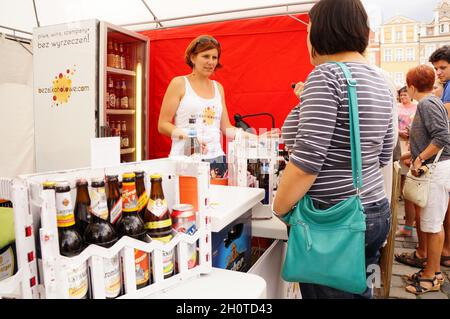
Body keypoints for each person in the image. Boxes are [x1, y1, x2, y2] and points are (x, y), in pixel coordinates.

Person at [273, 0, 394, 299]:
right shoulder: (382, 79)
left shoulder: (327, 76)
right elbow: (384, 153)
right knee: (358, 291)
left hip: (333, 219)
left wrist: (280, 208)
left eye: (309, 28)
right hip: (375, 210)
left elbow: (305, 163)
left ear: (323, 29)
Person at [399, 65, 450, 295]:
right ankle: (431, 270)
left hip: (436, 170)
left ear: (411, 86)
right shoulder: (432, 101)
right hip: (436, 167)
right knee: (430, 222)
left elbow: (442, 137)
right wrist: (414, 154)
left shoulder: (428, 103)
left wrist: (419, 158)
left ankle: (432, 275)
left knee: (432, 223)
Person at [396, 86, 418, 238]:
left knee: (411, 192)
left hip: (412, 148)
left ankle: (411, 225)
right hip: (402, 144)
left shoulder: (419, 106)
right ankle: (410, 225)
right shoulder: (397, 107)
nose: (404, 96)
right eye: (401, 95)